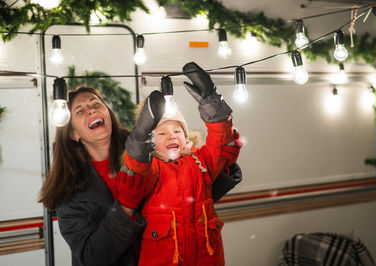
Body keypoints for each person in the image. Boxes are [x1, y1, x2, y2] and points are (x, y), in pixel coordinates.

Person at [38, 81, 242, 265]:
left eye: (95, 104)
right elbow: (91, 258)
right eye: (80, 111)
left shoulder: (148, 148)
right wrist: (125, 207)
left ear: (108, 113)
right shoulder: (68, 188)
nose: (91, 110)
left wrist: (221, 164)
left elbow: (185, 199)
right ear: (73, 133)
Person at [124, 62, 240, 265]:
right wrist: (140, 136)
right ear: (151, 141)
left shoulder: (200, 162)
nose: (172, 136)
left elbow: (221, 144)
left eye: (177, 131)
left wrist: (211, 101)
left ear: (185, 137)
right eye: (162, 132)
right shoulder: (152, 169)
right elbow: (136, 167)